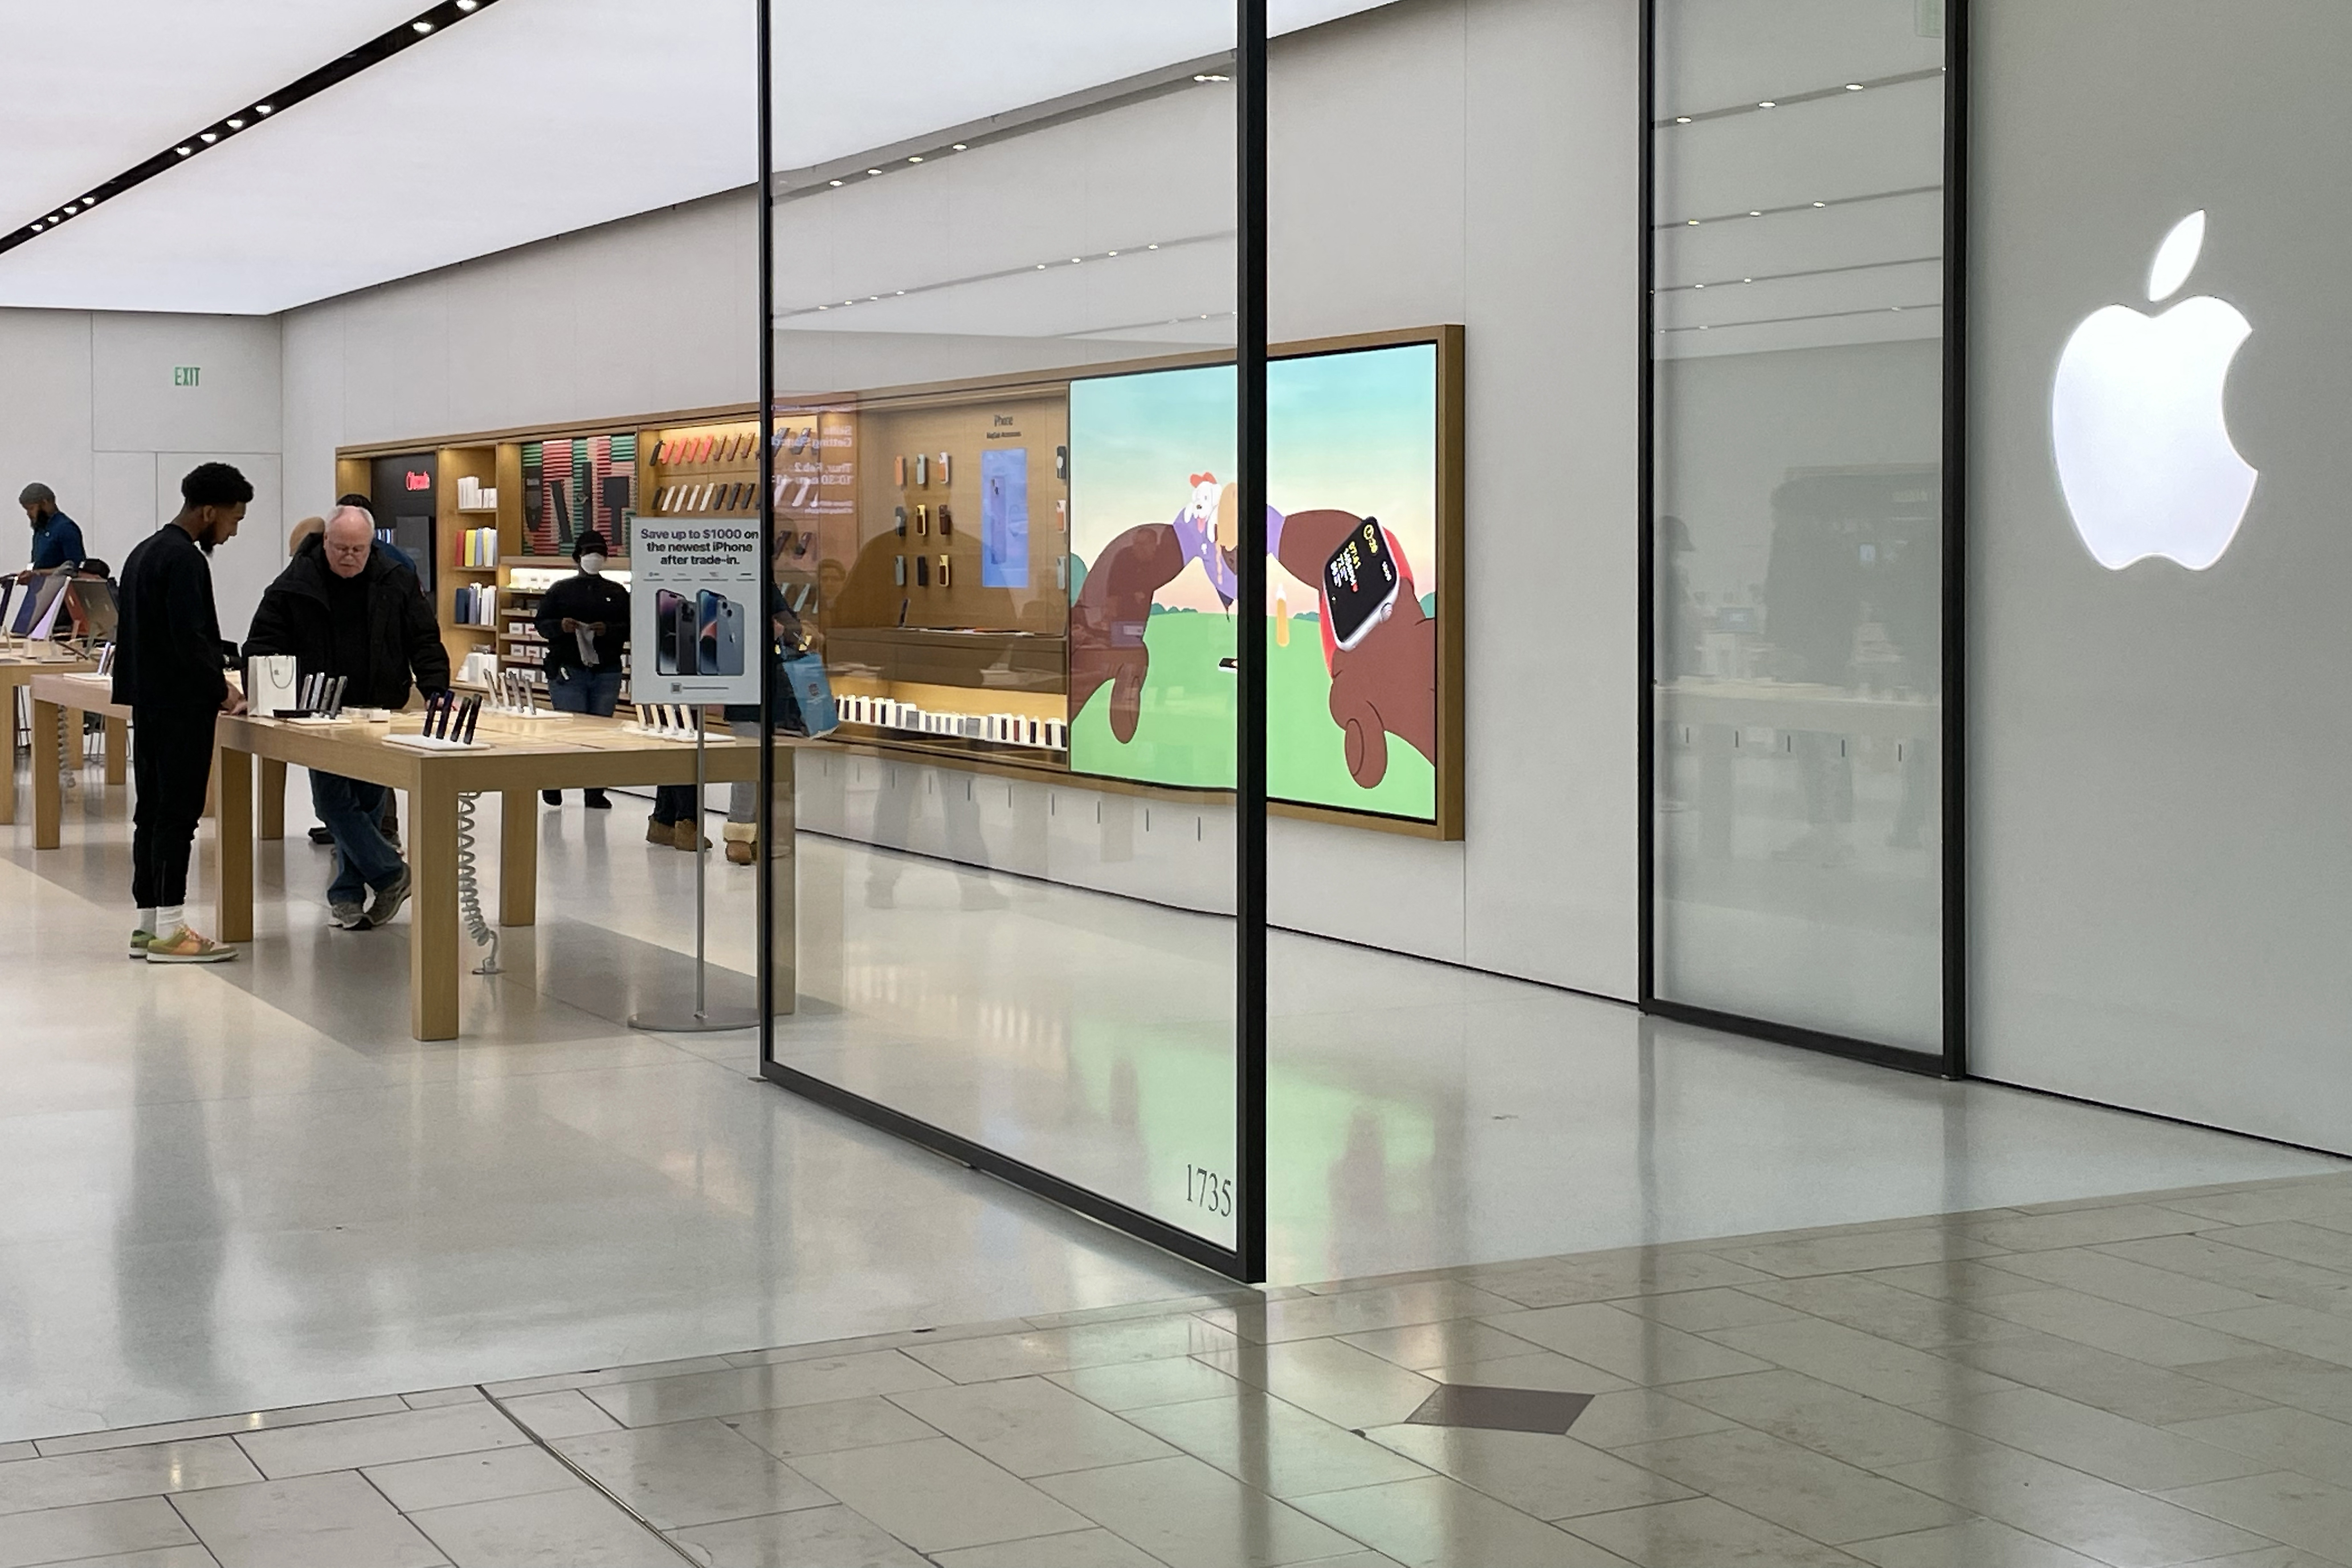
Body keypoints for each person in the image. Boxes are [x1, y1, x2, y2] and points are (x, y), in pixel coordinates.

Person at [245, 505, 447, 929]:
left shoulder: (396, 577)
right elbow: (263, 642)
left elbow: (424, 637)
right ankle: (392, 873)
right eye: (341, 548)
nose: (349, 556)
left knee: (370, 804)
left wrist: (436, 691)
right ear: (325, 543)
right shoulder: (295, 583)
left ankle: (347, 895)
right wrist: (260, 692)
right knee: (332, 801)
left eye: (358, 548)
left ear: (371, 545)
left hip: (379, 706)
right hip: (320, 709)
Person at [115, 463, 250, 964]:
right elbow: (191, 640)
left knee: (149, 812)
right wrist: (226, 691)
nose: (233, 531)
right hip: (181, 708)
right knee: (178, 815)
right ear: (209, 510)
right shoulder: (186, 560)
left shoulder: (142, 553)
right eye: (234, 519)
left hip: (147, 704)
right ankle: (172, 930)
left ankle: (147, 924)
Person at [535, 531, 700, 842]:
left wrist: (608, 630)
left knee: (601, 733)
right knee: (568, 732)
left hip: (607, 669)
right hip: (568, 667)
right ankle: (553, 781)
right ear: (578, 556)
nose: (594, 557)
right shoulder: (560, 590)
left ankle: (595, 790)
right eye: (589, 552)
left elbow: (632, 626)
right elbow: (542, 623)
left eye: (600, 552)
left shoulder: (616, 592)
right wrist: (561, 627)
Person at [20, 483, 86, 571]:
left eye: (31, 509)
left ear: (45, 503)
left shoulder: (66, 529)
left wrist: (40, 573)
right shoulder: (40, 529)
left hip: (59, 584)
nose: (29, 514)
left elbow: (74, 569)